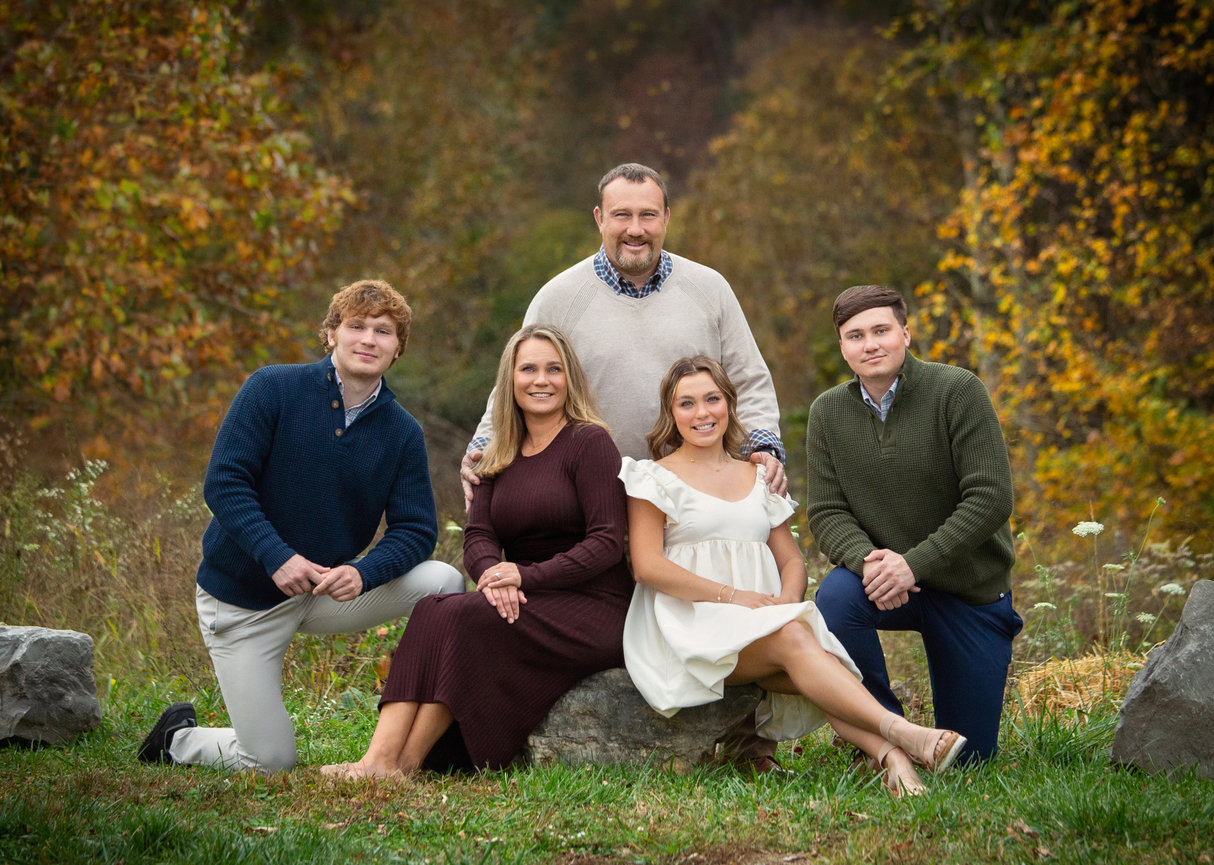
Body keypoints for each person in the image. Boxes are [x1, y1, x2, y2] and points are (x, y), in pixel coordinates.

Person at [460, 162, 787, 771]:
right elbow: (517, 375)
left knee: (745, 571)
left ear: (665, 218)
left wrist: (765, 447)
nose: (634, 229)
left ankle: (749, 738)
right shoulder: (561, 295)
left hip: (690, 485)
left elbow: (749, 378)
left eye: (647, 215)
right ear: (599, 220)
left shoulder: (709, 288)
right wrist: (483, 449)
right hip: (595, 492)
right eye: (621, 216)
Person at [137, 279, 464, 772]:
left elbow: (416, 530)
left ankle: (419, 740)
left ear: (398, 348)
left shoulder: (402, 432)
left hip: (322, 595)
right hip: (244, 603)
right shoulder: (273, 388)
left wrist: (364, 573)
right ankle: (177, 740)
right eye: (356, 326)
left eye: (384, 331)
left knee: (445, 582)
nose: (368, 340)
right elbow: (225, 483)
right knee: (270, 762)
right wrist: (277, 556)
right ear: (331, 333)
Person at [621, 355, 966, 797]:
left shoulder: (758, 476)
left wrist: (785, 604)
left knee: (816, 664)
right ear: (671, 414)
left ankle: (893, 756)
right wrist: (734, 597)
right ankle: (910, 735)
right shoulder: (652, 477)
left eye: (712, 399)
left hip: (763, 622)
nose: (702, 413)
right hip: (687, 623)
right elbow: (648, 566)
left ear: (729, 403)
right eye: (686, 403)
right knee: (804, 647)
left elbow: (792, 562)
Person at [321, 324, 632, 779]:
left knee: (465, 617)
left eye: (553, 369)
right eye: (528, 369)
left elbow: (606, 542)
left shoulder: (589, 443)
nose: (540, 380)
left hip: (593, 605)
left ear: (571, 380)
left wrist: (525, 577)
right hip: (521, 593)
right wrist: (491, 575)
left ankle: (406, 764)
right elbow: (479, 535)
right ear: (511, 380)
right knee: (433, 609)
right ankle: (380, 759)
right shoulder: (497, 451)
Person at [806, 285, 1022, 765]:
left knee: (967, 761)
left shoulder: (957, 392)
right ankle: (887, 738)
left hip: (968, 590)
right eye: (855, 336)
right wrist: (870, 564)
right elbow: (826, 510)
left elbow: (990, 498)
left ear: (905, 333)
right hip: (886, 585)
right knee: (836, 599)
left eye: (881, 330)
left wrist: (912, 564)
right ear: (842, 347)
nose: (871, 344)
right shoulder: (827, 414)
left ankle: (933, 737)